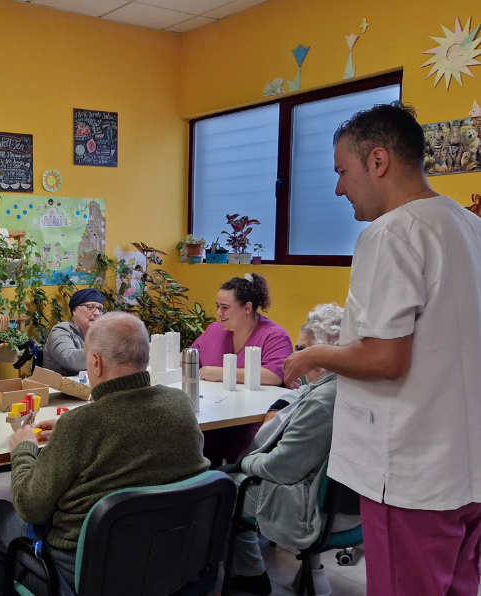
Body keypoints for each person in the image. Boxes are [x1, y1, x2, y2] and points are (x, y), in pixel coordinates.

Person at [283, 102, 481, 596]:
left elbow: (385, 358)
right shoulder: (469, 227)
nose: (338, 188)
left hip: (411, 472)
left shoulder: (392, 233)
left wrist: (313, 356)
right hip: (466, 468)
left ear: (378, 162)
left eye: (342, 172)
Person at [0, 312, 210, 595]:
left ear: (95, 362)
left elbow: (30, 507)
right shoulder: (179, 404)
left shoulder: (81, 425)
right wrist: (71, 427)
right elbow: (125, 424)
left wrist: (23, 448)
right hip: (171, 556)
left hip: (85, 568)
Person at [225, 303, 350, 596]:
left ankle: (250, 575)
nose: (293, 355)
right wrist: (280, 404)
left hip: (311, 510)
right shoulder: (347, 384)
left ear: (318, 356)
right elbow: (300, 392)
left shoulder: (321, 402)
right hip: (346, 506)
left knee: (222, 487)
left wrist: (245, 463)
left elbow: (279, 469)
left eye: (301, 348)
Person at [191, 273, 294, 467]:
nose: (218, 313)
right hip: (215, 412)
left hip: (251, 419)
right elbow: (190, 356)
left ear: (247, 308)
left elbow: (273, 375)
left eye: (225, 308)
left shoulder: (274, 335)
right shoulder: (215, 330)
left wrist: (221, 373)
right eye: (217, 306)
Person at [42, 288, 104, 375]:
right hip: (58, 387)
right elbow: (70, 360)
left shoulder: (101, 334)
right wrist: (105, 352)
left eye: (100, 309)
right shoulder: (61, 330)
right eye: (90, 307)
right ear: (74, 310)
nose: (97, 313)